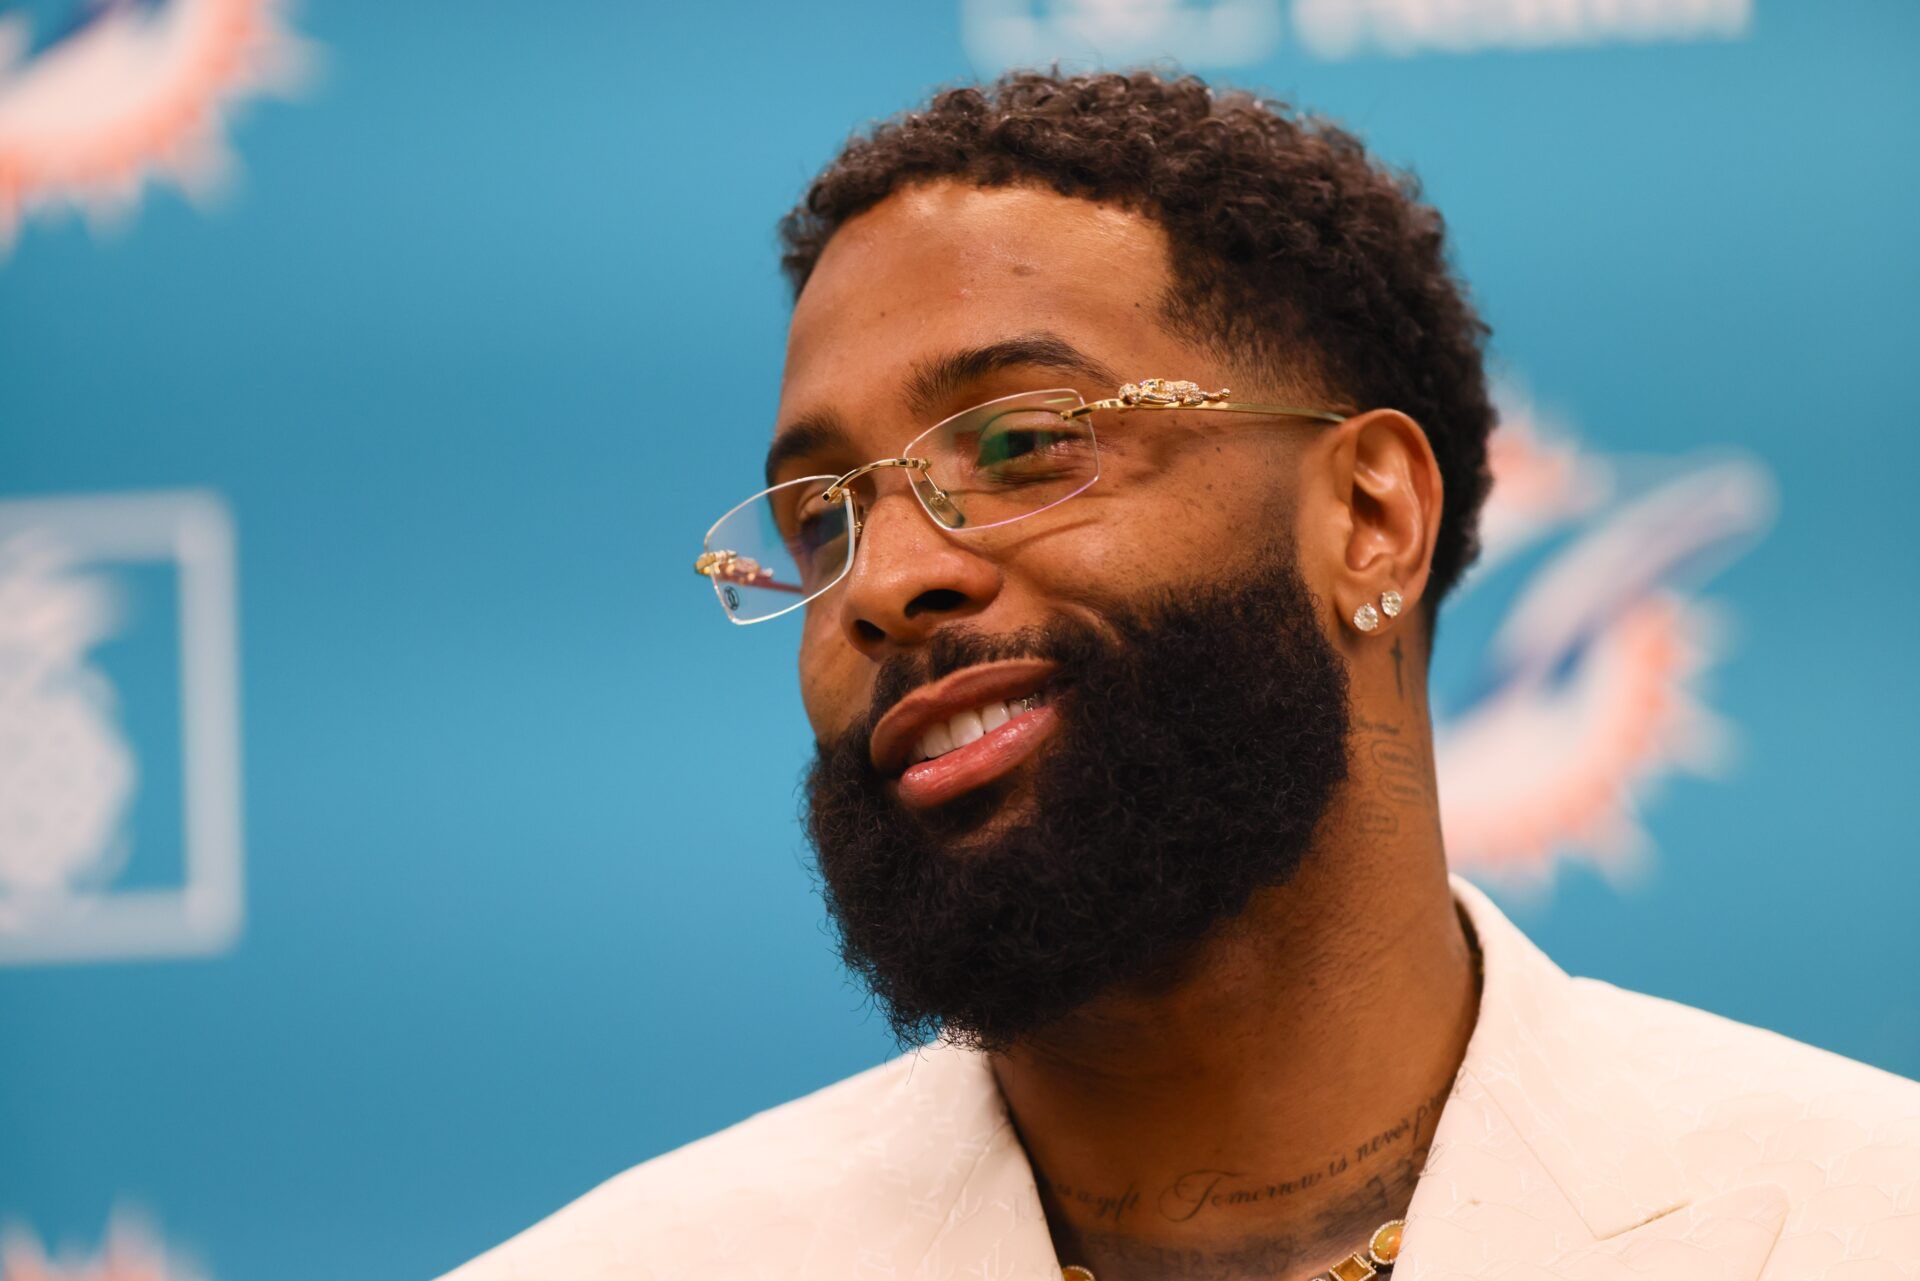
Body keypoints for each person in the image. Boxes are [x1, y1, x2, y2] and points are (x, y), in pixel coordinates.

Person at [441, 71, 1920, 1281]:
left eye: (1021, 445)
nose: (883, 582)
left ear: (1369, 517)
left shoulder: (1865, 1217)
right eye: (822, 516)